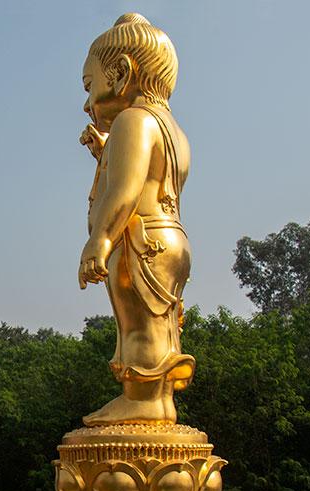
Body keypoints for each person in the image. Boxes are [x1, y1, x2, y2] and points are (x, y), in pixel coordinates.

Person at [78, 13, 194, 425]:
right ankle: (157, 399)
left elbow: (125, 190)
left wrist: (101, 239)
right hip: (170, 237)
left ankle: (142, 397)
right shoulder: (170, 128)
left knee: (137, 323)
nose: (87, 103)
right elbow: (148, 177)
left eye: (90, 86)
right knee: (157, 324)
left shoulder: (133, 120)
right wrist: (106, 152)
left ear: (122, 73)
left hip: (139, 240)